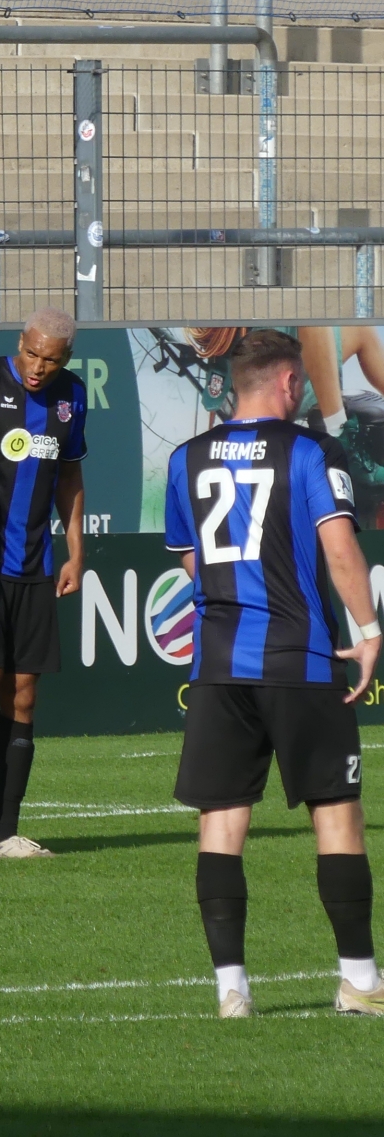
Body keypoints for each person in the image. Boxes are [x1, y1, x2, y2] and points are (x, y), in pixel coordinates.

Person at [164, 328, 383, 1018]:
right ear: (290, 384)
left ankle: (232, 990)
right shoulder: (311, 449)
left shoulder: (187, 457)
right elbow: (340, 547)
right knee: (337, 819)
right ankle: (360, 981)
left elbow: (190, 559)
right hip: (300, 659)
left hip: (219, 665)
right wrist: (370, 631)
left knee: (221, 824)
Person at [0, 307, 89, 859]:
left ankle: (7, 832)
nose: (37, 367)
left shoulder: (71, 396)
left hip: (35, 567)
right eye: (31, 354)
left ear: (66, 359)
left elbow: (71, 474)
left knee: (23, 697)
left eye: (50, 360)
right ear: (20, 342)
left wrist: (77, 552)